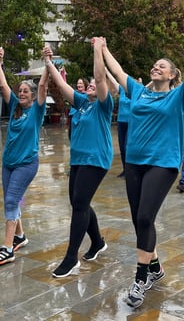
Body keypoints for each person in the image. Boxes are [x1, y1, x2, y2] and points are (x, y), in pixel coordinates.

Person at [99, 26, 184, 309]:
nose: (156, 67)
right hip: (134, 163)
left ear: (172, 76)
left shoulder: (178, 96)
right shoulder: (139, 92)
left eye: (162, 66)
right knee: (140, 219)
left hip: (162, 164)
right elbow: (116, 71)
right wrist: (103, 49)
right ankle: (155, 267)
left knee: (144, 218)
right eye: (155, 65)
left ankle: (141, 279)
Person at [44, 41, 113, 278]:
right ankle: (97, 242)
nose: (92, 86)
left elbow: (101, 78)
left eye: (94, 85)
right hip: (78, 159)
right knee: (77, 202)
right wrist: (48, 62)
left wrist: (98, 50)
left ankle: (71, 257)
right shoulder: (82, 103)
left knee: (80, 204)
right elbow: (61, 84)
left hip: (96, 159)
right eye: (90, 85)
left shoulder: (104, 105)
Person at [0, 46, 48, 265]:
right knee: (10, 200)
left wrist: (47, 61)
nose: (21, 93)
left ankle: (7, 248)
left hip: (26, 164)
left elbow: (42, 85)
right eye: (20, 91)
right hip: (8, 163)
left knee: (12, 200)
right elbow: (3, 83)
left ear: (33, 96)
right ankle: (20, 236)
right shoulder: (14, 105)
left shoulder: (37, 110)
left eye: (26, 92)